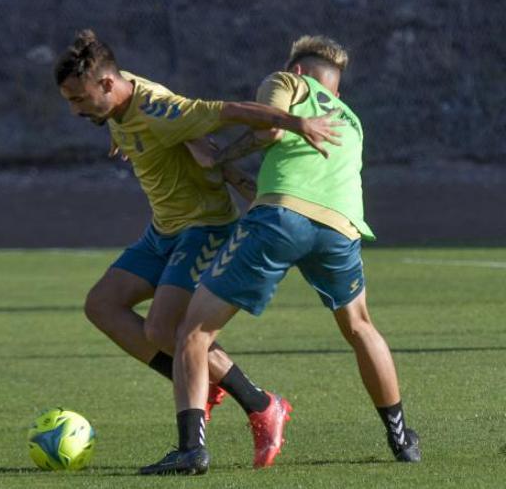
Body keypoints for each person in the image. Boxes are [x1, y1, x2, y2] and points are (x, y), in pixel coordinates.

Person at [55, 30, 342, 469]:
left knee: (161, 330)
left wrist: (296, 123)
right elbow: (130, 100)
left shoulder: (160, 110)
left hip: (204, 227)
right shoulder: (119, 94)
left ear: (106, 86)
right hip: (163, 229)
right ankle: (203, 382)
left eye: (79, 100)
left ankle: (245, 415)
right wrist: (119, 129)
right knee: (102, 305)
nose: (75, 109)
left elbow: (228, 111)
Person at [141, 35, 421, 475]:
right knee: (360, 326)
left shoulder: (286, 82)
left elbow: (269, 127)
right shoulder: (350, 119)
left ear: (298, 73)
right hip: (341, 229)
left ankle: (191, 450)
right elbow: (289, 171)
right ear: (336, 91)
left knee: (192, 331)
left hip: (281, 218)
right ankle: (402, 437)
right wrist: (229, 169)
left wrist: (218, 156)